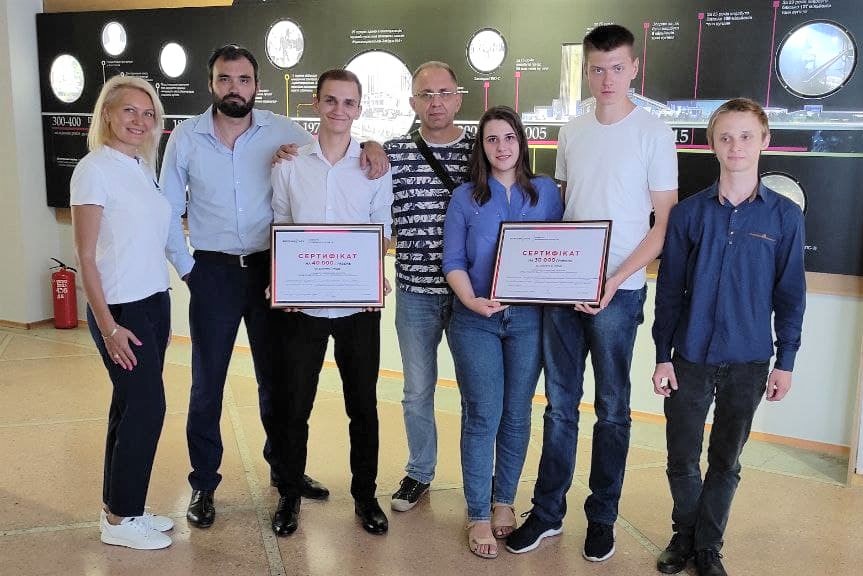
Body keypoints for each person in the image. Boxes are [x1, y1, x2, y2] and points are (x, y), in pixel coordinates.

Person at [160, 44, 387, 529]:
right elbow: (165, 209)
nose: (234, 88)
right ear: (211, 83)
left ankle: (286, 472)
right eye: (225, 79)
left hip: (271, 269)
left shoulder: (284, 132)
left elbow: (336, 143)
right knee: (207, 383)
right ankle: (203, 482)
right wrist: (188, 270)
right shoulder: (185, 138)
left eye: (243, 79)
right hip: (214, 272)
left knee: (277, 384)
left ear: (256, 85)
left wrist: (374, 146)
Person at [507, 24, 679, 561]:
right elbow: (561, 210)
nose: (607, 78)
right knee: (559, 408)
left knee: (612, 410)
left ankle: (601, 517)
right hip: (564, 291)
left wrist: (612, 280)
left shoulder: (655, 132)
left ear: (634, 69)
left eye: (618, 68)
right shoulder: (572, 131)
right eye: (598, 69)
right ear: (587, 69)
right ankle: (548, 512)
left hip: (619, 293)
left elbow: (663, 226)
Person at [651, 98, 805, 576]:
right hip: (690, 357)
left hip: (749, 361)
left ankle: (708, 546)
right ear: (712, 144)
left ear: (764, 142)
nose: (735, 145)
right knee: (681, 457)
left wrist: (786, 360)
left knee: (726, 461)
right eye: (725, 136)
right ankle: (685, 534)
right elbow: (670, 291)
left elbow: (791, 294)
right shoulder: (691, 214)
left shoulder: (784, 218)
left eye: (745, 136)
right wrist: (662, 355)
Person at [268, 69, 394, 537]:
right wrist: (283, 281)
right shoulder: (288, 164)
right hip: (301, 310)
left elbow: (381, 229)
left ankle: (365, 496)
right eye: (331, 101)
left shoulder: (374, 165)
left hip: (358, 309)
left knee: (362, 405)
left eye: (349, 103)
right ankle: (288, 493)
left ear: (359, 109)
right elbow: (281, 223)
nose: (340, 110)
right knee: (293, 406)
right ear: (316, 105)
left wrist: (366, 275)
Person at [443, 106, 564, 559]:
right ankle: (477, 512)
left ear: (522, 142)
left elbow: (563, 251)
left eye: (509, 137)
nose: (501, 147)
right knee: (483, 414)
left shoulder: (547, 194)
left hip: (529, 319)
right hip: (475, 317)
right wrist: (472, 300)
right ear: (482, 146)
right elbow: (453, 261)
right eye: (492, 139)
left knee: (517, 414)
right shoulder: (465, 198)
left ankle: (503, 501)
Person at [71, 75, 173, 550]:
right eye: (130, 110)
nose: (140, 120)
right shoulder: (94, 169)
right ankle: (121, 519)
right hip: (122, 309)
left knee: (130, 405)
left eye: (148, 113)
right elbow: (86, 257)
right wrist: (109, 326)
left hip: (154, 300)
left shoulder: (139, 167)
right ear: (107, 114)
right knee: (149, 407)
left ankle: (119, 507)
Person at [384, 61, 473, 512]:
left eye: (443, 93)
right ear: (412, 102)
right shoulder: (391, 153)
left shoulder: (482, 150)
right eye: (425, 95)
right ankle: (420, 471)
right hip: (415, 293)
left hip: (470, 298)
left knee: (479, 391)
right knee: (417, 389)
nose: (435, 102)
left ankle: (481, 482)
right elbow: (376, 217)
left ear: (458, 97)